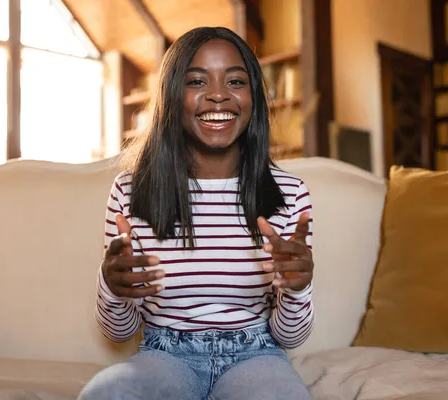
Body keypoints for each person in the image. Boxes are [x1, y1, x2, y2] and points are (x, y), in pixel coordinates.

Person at [78, 26, 314, 400]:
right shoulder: (129, 191)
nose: (218, 95)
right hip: (164, 355)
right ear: (173, 95)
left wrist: (298, 288)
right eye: (196, 81)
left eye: (235, 81)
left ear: (252, 96)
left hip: (257, 357)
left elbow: (291, 335)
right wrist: (113, 287)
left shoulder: (290, 194)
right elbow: (118, 332)